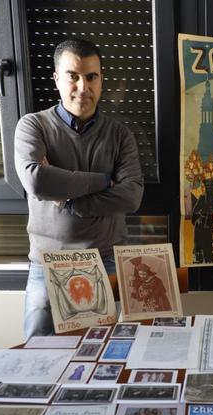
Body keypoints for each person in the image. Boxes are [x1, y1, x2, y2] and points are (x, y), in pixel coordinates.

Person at [15, 38, 143, 339]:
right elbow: (35, 181)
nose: (83, 87)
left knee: (100, 356)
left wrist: (70, 202)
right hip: (47, 263)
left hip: (104, 259)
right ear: (57, 79)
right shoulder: (33, 126)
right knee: (37, 355)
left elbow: (132, 196)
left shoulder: (120, 135)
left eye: (91, 77)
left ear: (101, 80)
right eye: (73, 76)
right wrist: (102, 181)